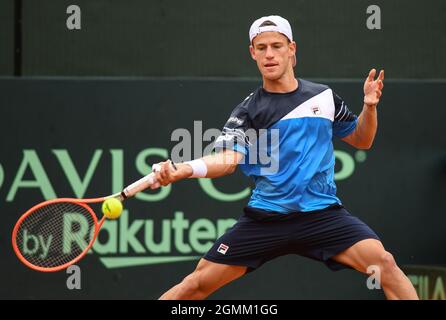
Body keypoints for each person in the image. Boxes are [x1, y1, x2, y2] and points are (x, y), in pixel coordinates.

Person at [154, 15, 418, 300]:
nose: (269, 54)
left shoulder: (324, 98)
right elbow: (228, 161)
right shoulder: (248, 111)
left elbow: (362, 139)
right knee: (194, 286)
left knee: (385, 265)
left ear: (292, 49)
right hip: (266, 218)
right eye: (262, 47)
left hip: (322, 216)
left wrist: (369, 107)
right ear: (252, 53)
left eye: (277, 46)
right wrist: (184, 169)